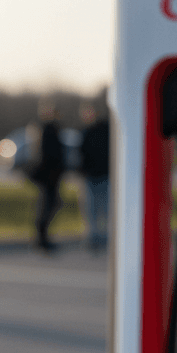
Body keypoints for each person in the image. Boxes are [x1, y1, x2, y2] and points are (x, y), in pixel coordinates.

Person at [29, 99, 65, 252]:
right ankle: (41, 238)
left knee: (50, 205)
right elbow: (46, 155)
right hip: (48, 176)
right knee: (47, 206)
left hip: (51, 176)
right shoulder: (46, 129)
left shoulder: (51, 129)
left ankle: (42, 238)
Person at [79, 101, 110, 251]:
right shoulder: (87, 132)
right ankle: (94, 237)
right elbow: (81, 155)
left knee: (103, 209)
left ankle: (101, 237)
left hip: (103, 175)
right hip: (92, 176)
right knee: (92, 210)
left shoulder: (105, 131)